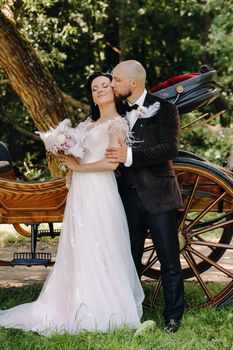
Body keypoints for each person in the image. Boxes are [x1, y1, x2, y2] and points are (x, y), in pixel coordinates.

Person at [0, 72, 144, 336]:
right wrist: (69, 163)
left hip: (101, 190)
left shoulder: (117, 124)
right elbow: (82, 155)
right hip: (81, 191)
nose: (99, 90)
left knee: (100, 243)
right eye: (94, 88)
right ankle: (74, 300)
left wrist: (79, 167)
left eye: (104, 86)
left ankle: (104, 307)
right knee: (80, 244)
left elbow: (112, 164)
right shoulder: (88, 124)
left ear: (113, 91)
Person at [106, 60, 185, 333]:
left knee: (169, 260)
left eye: (116, 80)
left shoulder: (166, 110)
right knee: (129, 259)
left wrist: (129, 156)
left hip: (160, 197)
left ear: (134, 83)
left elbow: (169, 149)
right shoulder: (115, 111)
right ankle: (130, 312)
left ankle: (173, 316)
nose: (112, 84)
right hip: (126, 199)